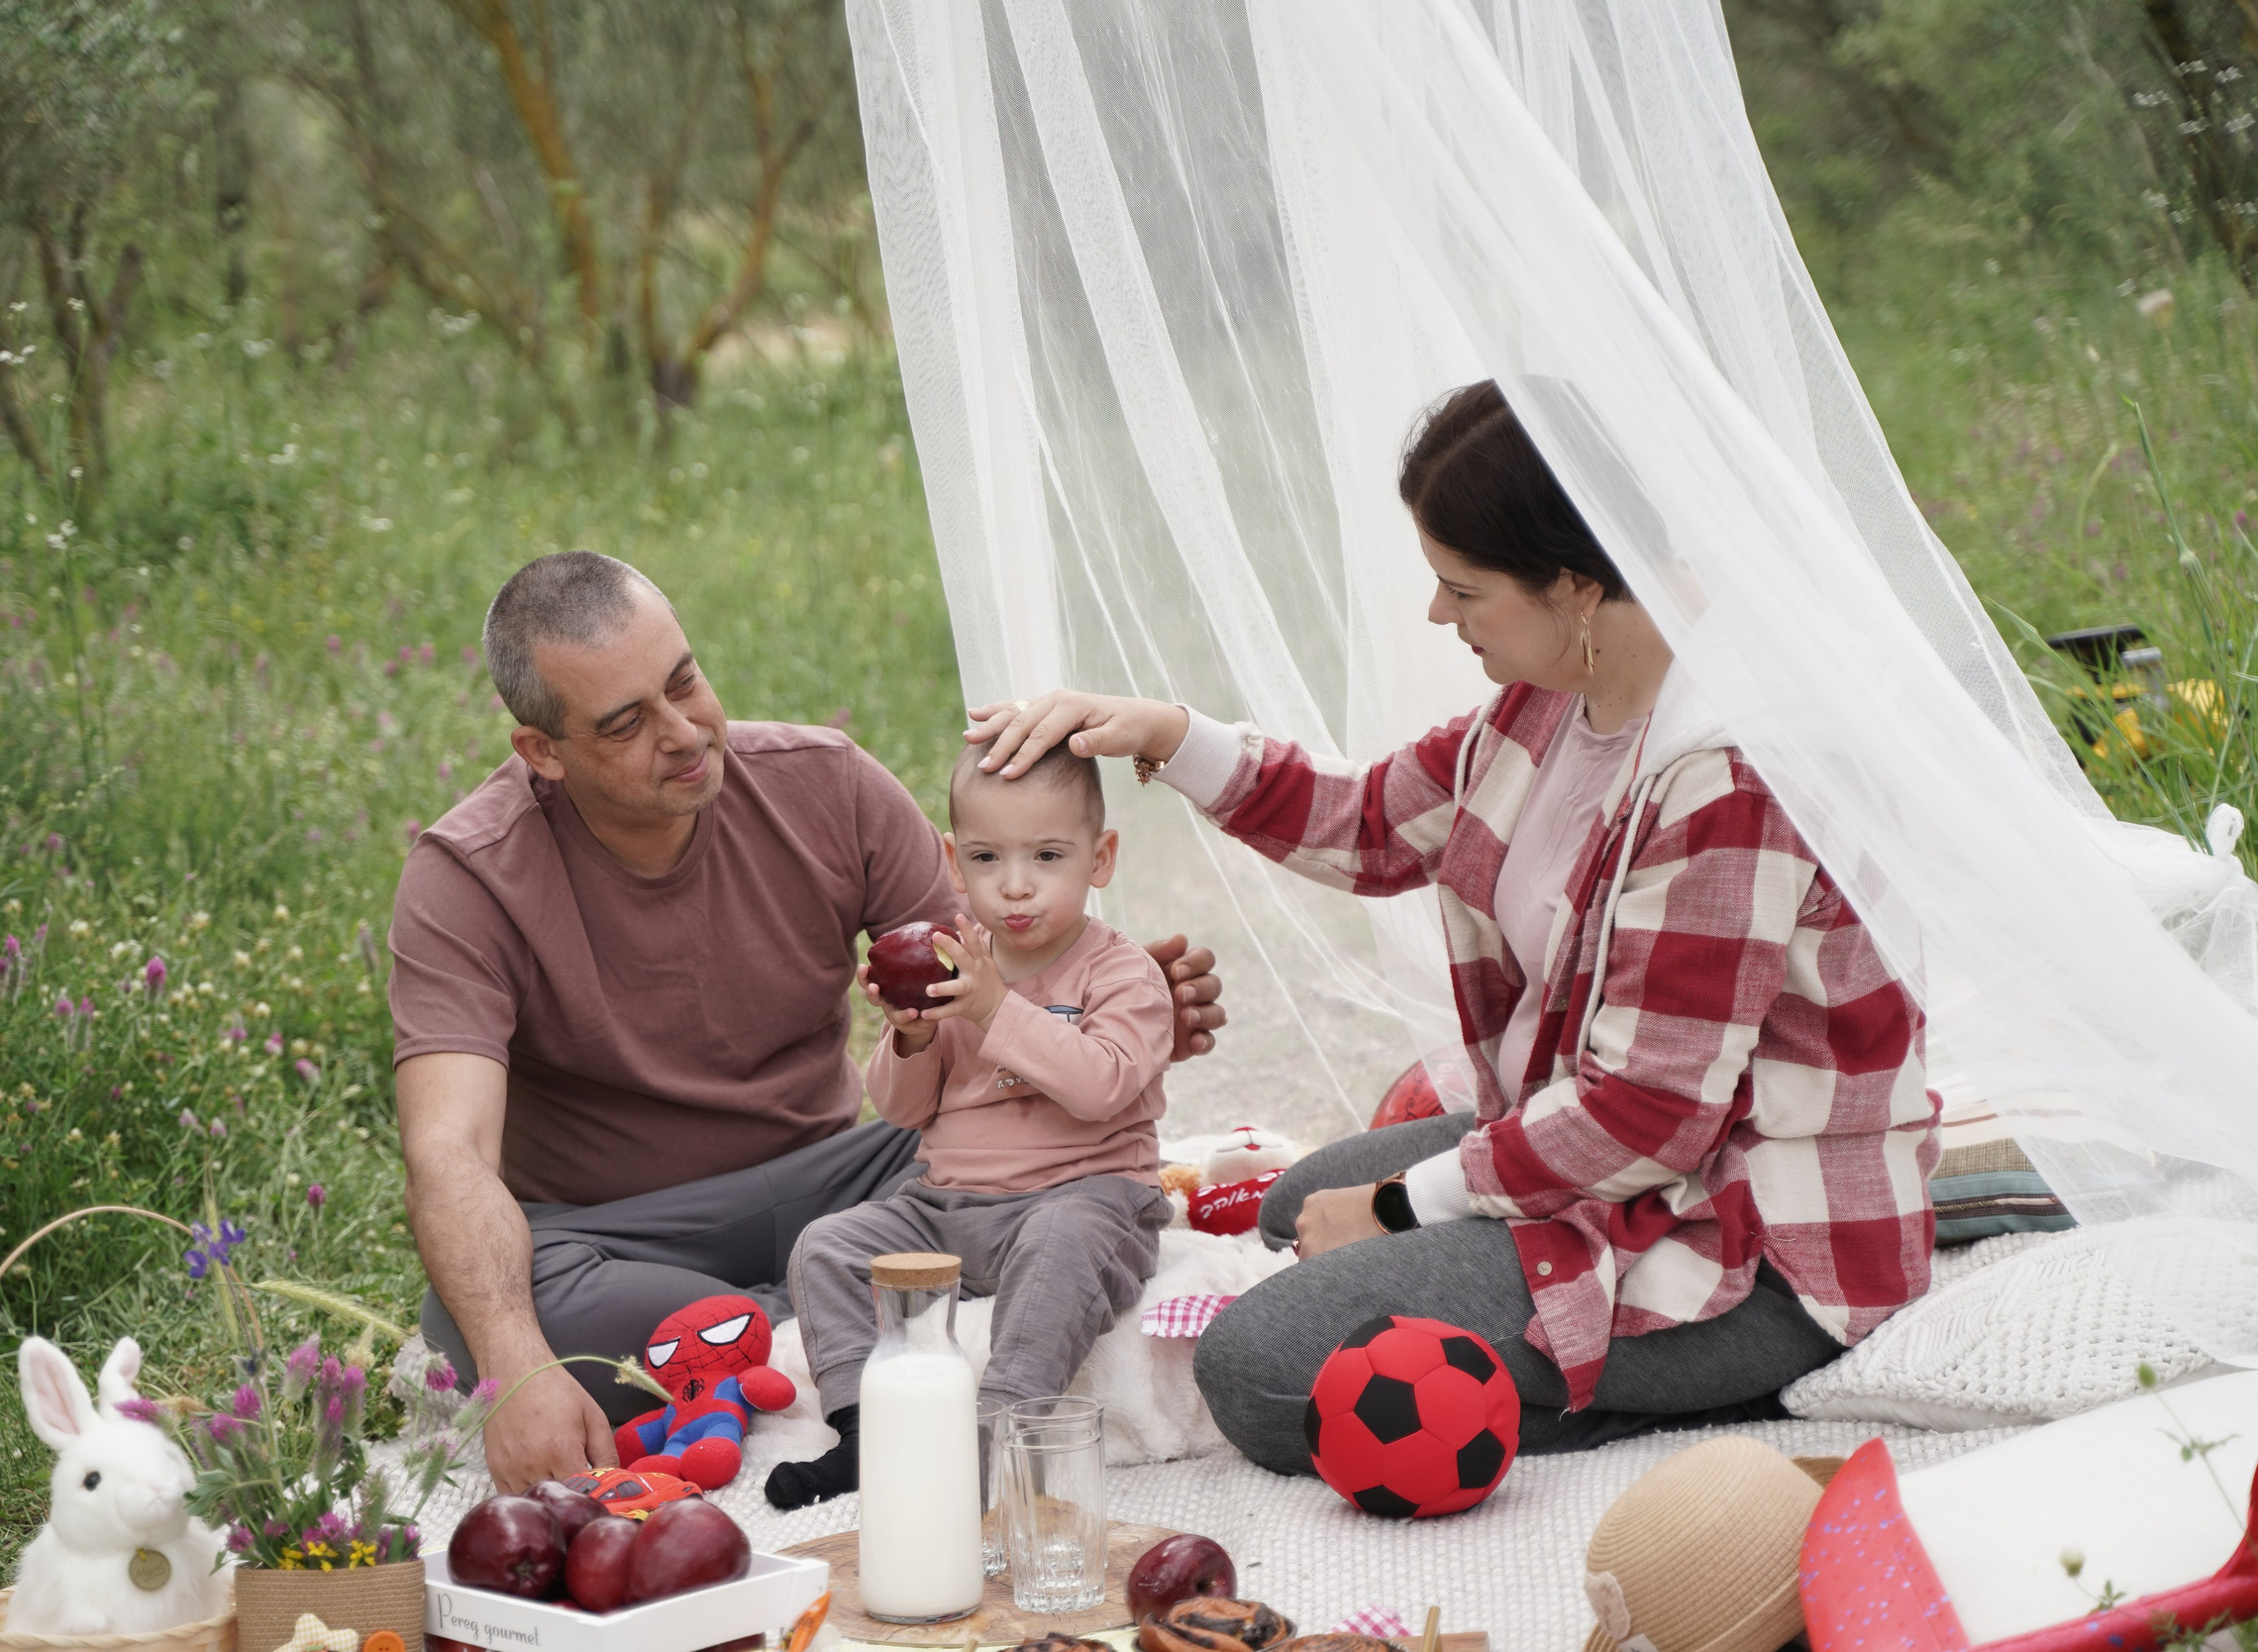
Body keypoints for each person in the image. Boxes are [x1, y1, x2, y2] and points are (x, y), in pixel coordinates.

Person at [966, 380, 1940, 1465]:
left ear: (1574, 587)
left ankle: (1726, 1385)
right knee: (1295, 1207)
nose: (1440, 615)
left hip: (1750, 1238)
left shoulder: (1727, 777)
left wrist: (1396, 1210)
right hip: (1639, 1168)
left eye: (1461, 589)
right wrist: (1169, 733)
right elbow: (1374, 821)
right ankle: (1524, 1323)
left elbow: (1643, 1113)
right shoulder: (1562, 689)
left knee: (1258, 1372)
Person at [389, 550, 1226, 1493]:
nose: (683, 732)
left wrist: (1097, 1010)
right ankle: (824, 1312)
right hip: (615, 1231)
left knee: (1022, 1166)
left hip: (840, 1171)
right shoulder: (469, 875)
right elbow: (447, 1153)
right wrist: (522, 1367)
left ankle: (751, 1338)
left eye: (684, 680)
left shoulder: (826, 785)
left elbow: (979, 984)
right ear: (543, 751)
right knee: (476, 1320)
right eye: (627, 723)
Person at [764, 745, 1175, 1510]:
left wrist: (995, 1009)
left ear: (1100, 857)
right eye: (988, 857)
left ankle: (994, 1428)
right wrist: (913, 1036)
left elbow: (1102, 1085)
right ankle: (864, 1430)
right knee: (828, 1244)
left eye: (1048, 856)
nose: (1015, 884)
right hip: (950, 1207)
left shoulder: (1120, 974)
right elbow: (903, 1110)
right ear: (955, 861)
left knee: (1058, 1248)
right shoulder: (955, 964)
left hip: (1084, 1195)